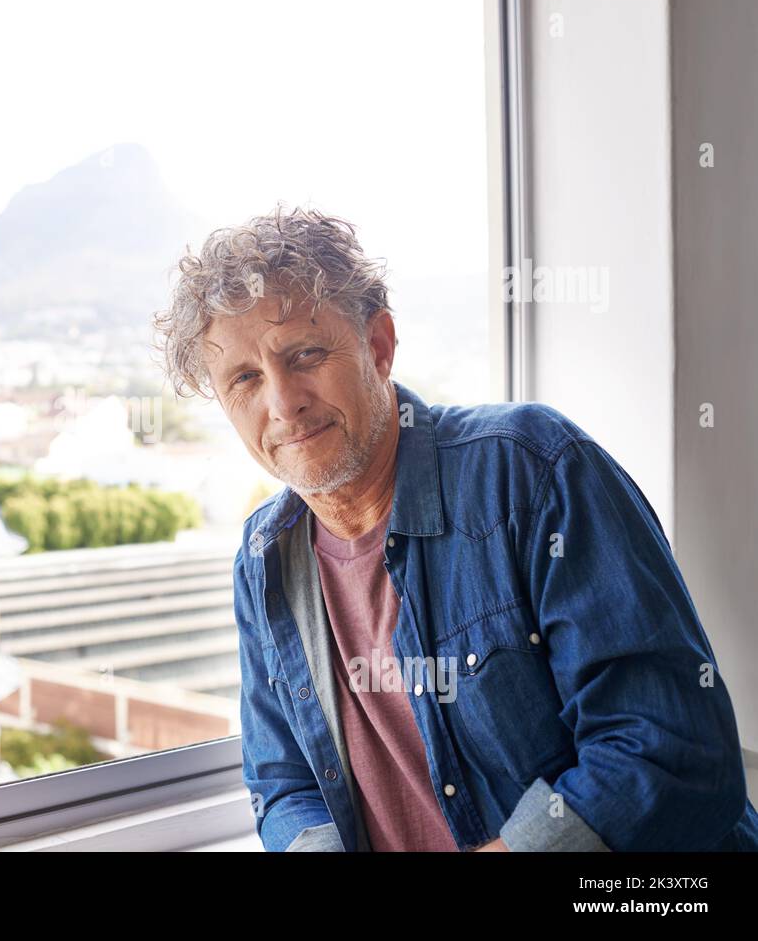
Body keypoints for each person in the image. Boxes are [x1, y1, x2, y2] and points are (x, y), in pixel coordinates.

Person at [151, 204, 758, 851]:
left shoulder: (533, 471)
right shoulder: (264, 559)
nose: (283, 401)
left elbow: (668, 750)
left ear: (378, 345)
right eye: (244, 378)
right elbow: (285, 781)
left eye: (305, 354)